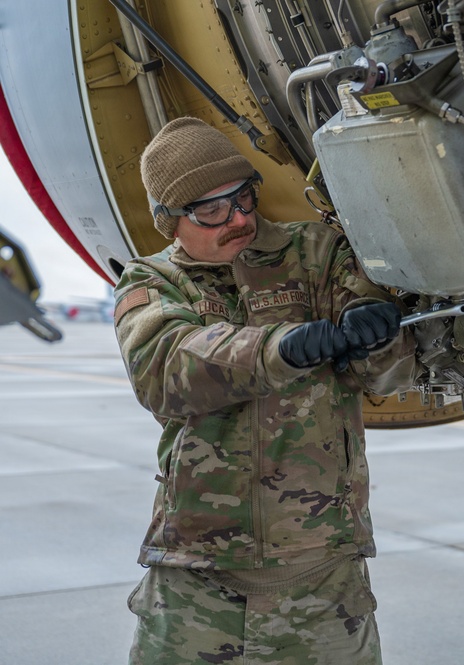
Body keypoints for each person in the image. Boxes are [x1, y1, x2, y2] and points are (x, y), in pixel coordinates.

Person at [113, 117, 418, 664]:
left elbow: (390, 375)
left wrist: (379, 337)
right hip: (198, 579)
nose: (238, 218)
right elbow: (164, 371)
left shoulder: (317, 253)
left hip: (322, 575)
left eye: (243, 197)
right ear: (168, 221)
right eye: (210, 210)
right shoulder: (151, 282)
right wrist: (285, 348)